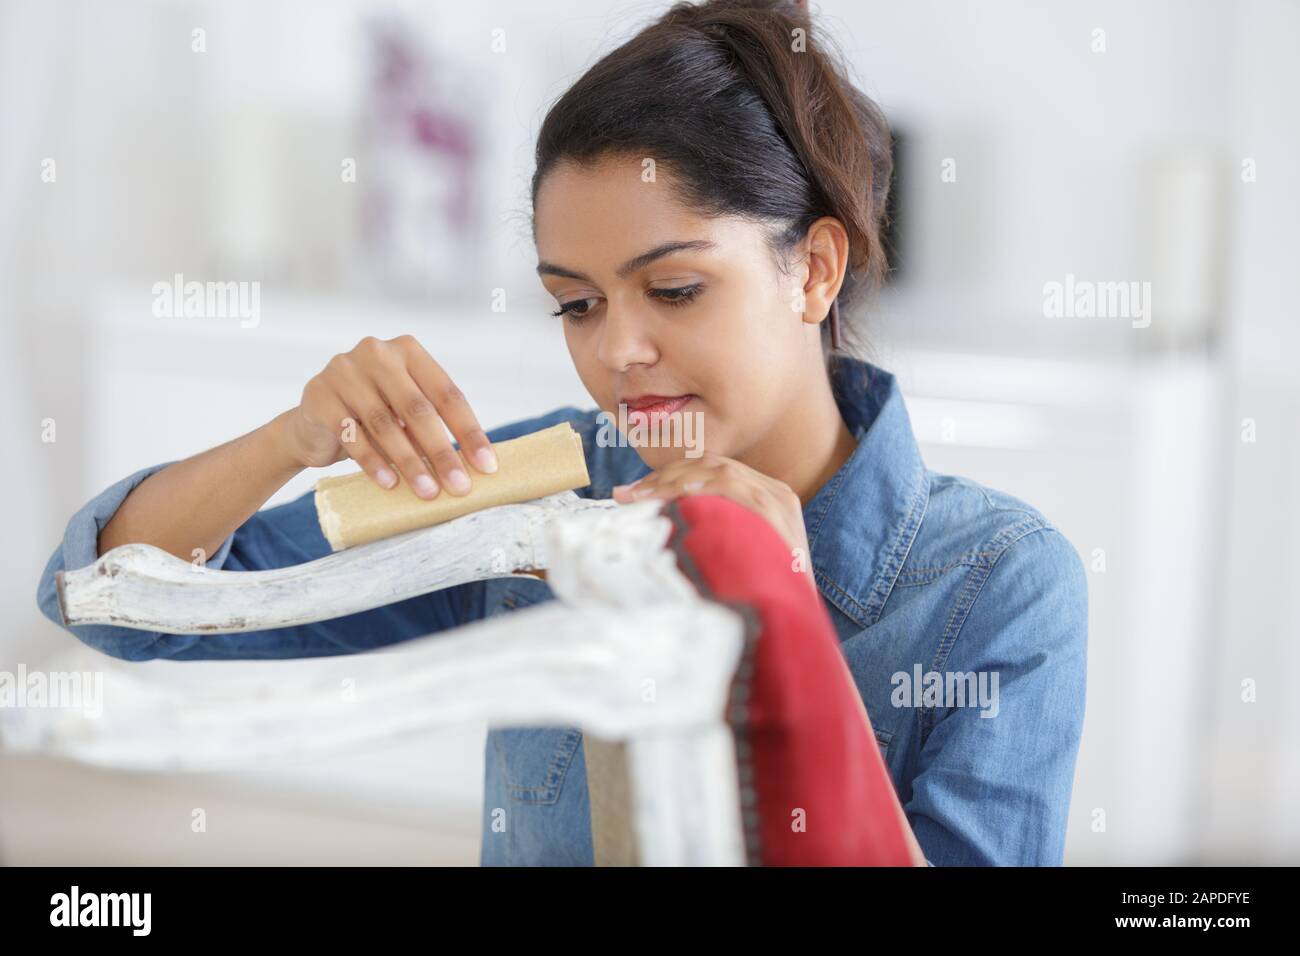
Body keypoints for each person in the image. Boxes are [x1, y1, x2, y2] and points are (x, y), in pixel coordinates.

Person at [35, 0, 1086, 866]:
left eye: (673, 288)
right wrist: (293, 436)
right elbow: (126, 609)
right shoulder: (544, 491)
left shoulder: (999, 582)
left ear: (813, 268)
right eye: (575, 304)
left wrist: (789, 618)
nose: (617, 352)